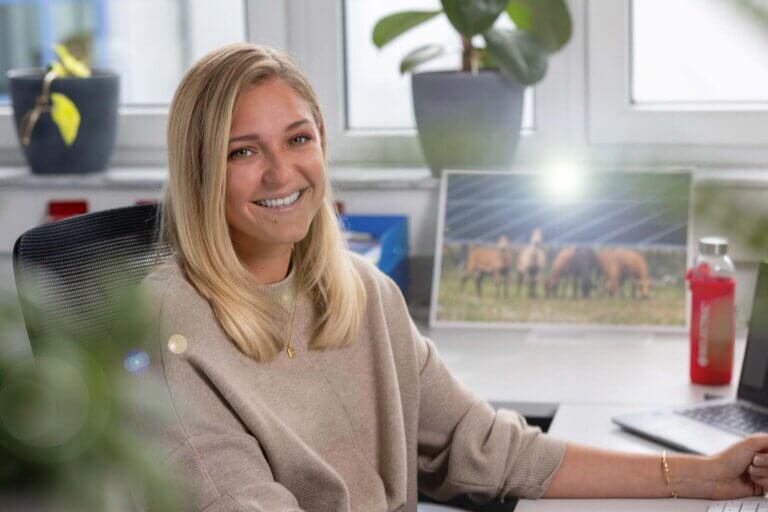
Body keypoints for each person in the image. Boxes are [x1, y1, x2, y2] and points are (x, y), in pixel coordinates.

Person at [137, 42, 768, 512]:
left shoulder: (362, 292)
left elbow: (487, 448)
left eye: (298, 139)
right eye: (242, 151)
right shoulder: (172, 324)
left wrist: (698, 474)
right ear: (199, 172)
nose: (282, 173)